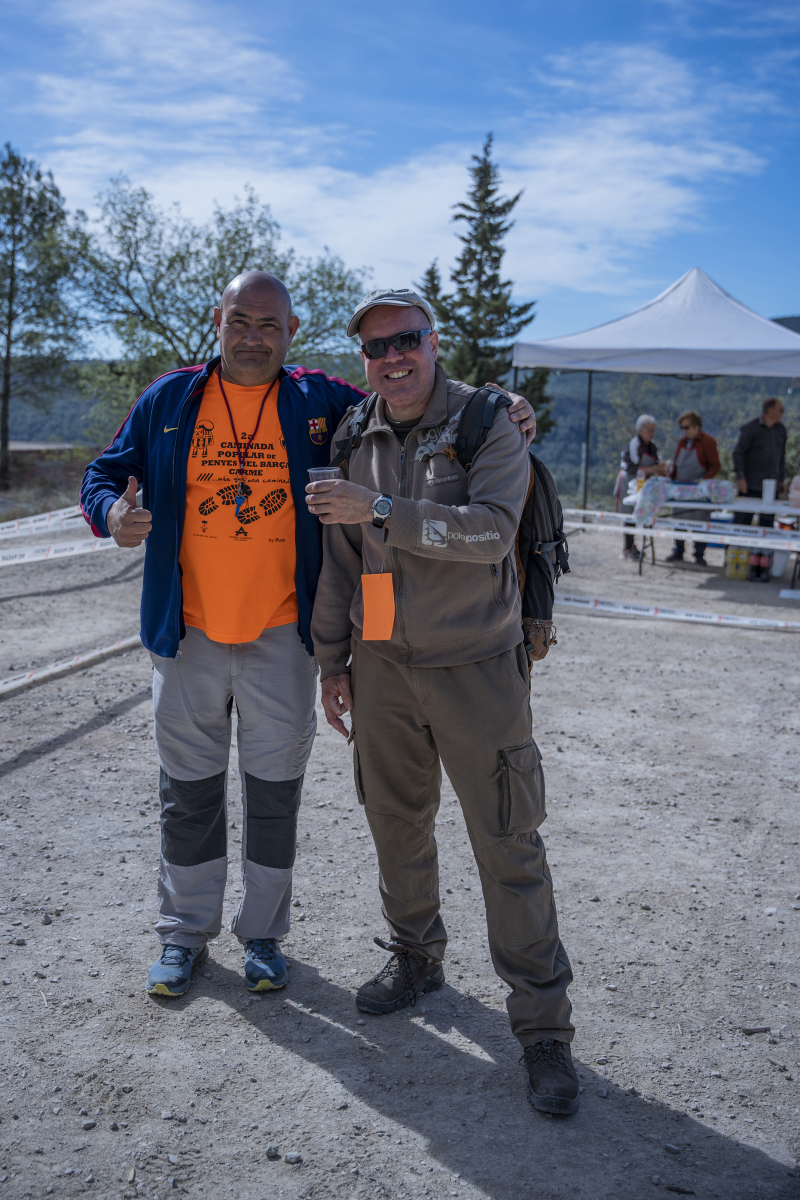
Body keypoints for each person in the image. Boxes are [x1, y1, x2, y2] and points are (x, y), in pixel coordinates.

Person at [79, 273, 535, 1000]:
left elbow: (410, 393)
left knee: (274, 795)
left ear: (291, 332)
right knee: (187, 793)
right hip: (187, 634)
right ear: (218, 319)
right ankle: (184, 934)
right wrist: (110, 515)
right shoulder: (169, 399)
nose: (253, 336)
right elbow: (104, 473)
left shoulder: (320, 401)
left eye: (269, 324)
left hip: (282, 640)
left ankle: (263, 935)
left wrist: (502, 402)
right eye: (240, 321)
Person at [308, 289, 578, 1117]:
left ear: (434, 342)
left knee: (507, 840)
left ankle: (543, 1029)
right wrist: (332, 661)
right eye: (376, 346)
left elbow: (492, 533)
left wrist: (382, 508)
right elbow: (343, 562)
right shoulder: (353, 433)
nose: (393, 357)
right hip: (382, 666)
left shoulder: (489, 421)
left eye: (407, 340)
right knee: (395, 821)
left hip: (478, 668)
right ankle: (417, 956)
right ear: (363, 359)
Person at [664, 410, 720, 566]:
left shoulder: (708, 441)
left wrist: (703, 480)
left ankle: (699, 554)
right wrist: (669, 473)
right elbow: (677, 464)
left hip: (699, 490)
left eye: (687, 427)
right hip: (680, 488)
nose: (684, 430)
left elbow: (715, 465)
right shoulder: (682, 442)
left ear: (696, 426)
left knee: (700, 521)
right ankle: (678, 550)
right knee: (678, 520)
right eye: (682, 427)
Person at [614, 414, 664, 561]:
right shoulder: (635, 443)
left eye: (653, 430)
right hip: (628, 481)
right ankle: (627, 548)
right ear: (639, 430)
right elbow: (634, 466)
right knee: (628, 514)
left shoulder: (652, 446)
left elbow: (657, 462)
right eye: (648, 430)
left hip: (643, 483)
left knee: (640, 513)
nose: (651, 433)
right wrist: (654, 468)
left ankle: (635, 546)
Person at [732, 397, 787, 530]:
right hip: (750, 485)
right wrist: (740, 478)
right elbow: (738, 453)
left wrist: (781, 479)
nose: (783, 413)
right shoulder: (751, 428)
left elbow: (781, 456)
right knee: (742, 523)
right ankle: (737, 544)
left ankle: (764, 546)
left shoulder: (781, 430)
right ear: (770, 411)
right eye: (781, 410)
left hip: (772, 486)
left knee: (767, 525)